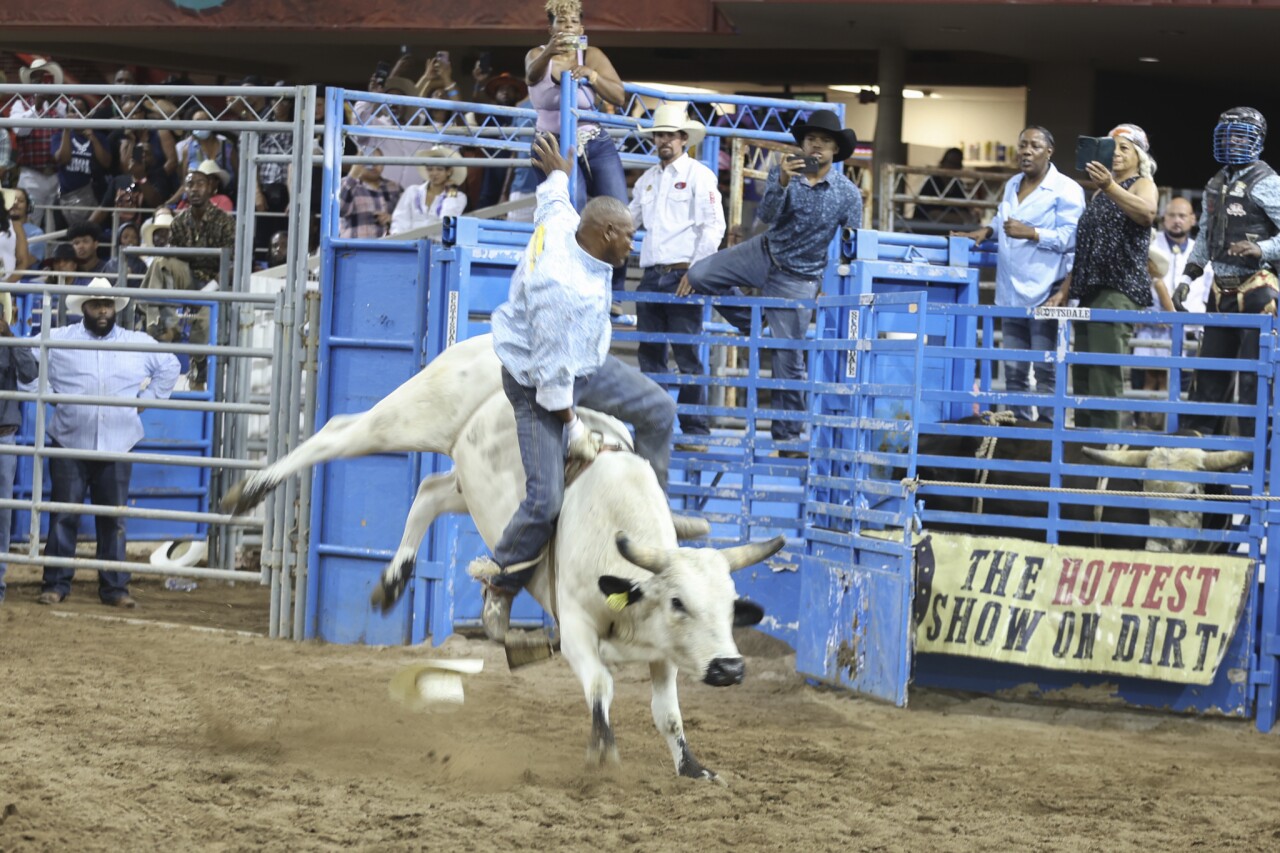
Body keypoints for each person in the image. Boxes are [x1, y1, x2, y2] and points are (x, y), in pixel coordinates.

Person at [474, 132, 675, 642]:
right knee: (545, 500)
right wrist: (576, 430)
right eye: (629, 236)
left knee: (659, 410)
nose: (633, 246)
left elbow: (554, 202)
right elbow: (551, 382)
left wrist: (559, 175)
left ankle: (653, 517)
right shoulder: (563, 287)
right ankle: (500, 582)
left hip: (583, 362)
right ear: (606, 233)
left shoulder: (567, 224)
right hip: (536, 384)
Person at [680, 109, 862, 456]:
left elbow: (852, 246)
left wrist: (828, 283)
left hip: (801, 277)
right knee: (701, 274)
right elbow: (765, 216)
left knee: (788, 359)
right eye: (811, 140)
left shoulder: (848, 194)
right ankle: (752, 319)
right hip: (764, 251)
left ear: (835, 149)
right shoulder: (784, 172)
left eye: (824, 142)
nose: (816, 147)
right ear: (803, 144)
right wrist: (780, 183)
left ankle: (788, 437)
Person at [33, 278, 180, 608]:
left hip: (116, 442)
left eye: (108, 304)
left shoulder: (135, 341)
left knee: (113, 518)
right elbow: (27, 355)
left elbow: (170, 364)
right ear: (83, 307)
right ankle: (56, 584)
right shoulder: (60, 338)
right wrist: (44, 393)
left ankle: (114, 588)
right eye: (97, 304)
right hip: (71, 440)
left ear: (114, 308)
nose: (103, 310)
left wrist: (148, 399)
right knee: (64, 515)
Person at [954, 126, 1085, 423]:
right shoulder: (1013, 183)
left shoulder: (1066, 189)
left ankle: (1048, 433)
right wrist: (987, 230)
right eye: (1022, 145)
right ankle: (1019, 431)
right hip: (1011, 291)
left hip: (1046, 291)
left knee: (1045, 370)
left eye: (1034, 146)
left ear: (1049, 151)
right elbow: (1004, 220)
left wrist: (1032, 232)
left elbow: (1073, 237)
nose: (1026, 151)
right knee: (1013, 371)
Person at [1046, 124, 1158, 430]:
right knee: (1083, 373)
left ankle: (1105, 444)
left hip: (1118, 288)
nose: (1117, 153)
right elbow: (1088, 248)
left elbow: (1147, 214)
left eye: (1125, 148)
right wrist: (1065, 289)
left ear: (1139, 155)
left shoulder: (1142, 184)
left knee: (1103, 375)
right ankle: (1083, 444)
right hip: (1091, 290)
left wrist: (1110, 186)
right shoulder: (1099, 192)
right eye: (1113, 147)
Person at [1176, 107, 1280, 437]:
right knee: (1208, 375)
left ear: (1256, 141)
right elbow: (1205, 235)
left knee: (1254, 380)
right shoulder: (1215, 182)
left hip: (1258, 289)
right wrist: (1187, 277)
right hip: (1220, 290)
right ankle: (1199, 451)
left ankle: (1256, 456)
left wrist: (1263, 249)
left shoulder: (1268, 182)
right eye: (1228, 134)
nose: (1232, 141)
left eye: (1240, 135)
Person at [629, 103, 725, 447]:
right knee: (651, 355)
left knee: (686, 356)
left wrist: (697, 273)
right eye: (659, 135)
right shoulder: (647, 180)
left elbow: (714, 226)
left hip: (683, 274)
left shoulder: (699, 175)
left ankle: (694, 430)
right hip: (653, 275)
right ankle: (661, 428)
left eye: (670, 135)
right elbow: (629, 221)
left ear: (684, 138)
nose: (664, 140)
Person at [527, 0, 629, 292]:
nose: (568, 26)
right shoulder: (536, 54)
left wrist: (591, 75)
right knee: (573, 211)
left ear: (582, 28)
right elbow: (532, 76)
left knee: (618, 210)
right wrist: (550, 51)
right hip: (553, 145)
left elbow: (619, 96)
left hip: (594, 141)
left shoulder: (591, 54)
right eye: (562, 22)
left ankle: (615, 290)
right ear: (551, 28)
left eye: (573, 22)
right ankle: (575, 284)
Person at [166, 160, 237, 389]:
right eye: (190, 184)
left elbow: (231, 264)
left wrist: (204, 294)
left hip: (213, 285)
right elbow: (171, 260)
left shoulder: (225, 221)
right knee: (160, 263)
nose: (194, 189)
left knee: (204, 323)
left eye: (200, 184)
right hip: (186, 279)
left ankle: (197, 375)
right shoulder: (178, 222)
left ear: (211, 188)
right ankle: (161, 323)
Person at [1133, 197, 1208, 393]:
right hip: (1151, 327)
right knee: (1146, 386)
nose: (1177, 220)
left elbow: (1208, 293)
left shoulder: (1202, 252)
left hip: (1189, 333)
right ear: (1163, 218)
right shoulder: (1149, 245)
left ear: (1193, 219)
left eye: (1182, 216)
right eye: (1172, 215)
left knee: (1182, 390)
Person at [0, 311, 37, 605]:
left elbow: (30, 373)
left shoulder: (11, 342)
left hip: (3, 435)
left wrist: (10, 337)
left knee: (2, 512)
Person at [1131, 247, 1176, 429]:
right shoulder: (1138, 284)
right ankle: (1144, 421)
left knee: (1161, 377)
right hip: (1145, 333)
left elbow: (1171, 312)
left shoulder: (1158, 284)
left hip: (1160, 334)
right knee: (1149, 377)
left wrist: (1159, 320)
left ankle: (1161, 422)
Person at [389, 148, 468, 235]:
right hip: (410, 241)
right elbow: (400, 220)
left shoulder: (458, 197)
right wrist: (399, 239)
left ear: (449, 171)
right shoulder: (412, 191)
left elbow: (448, 222)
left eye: (439, 169)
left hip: (438, 242)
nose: (434, 173)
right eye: (430, 169)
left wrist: (451, 191)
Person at [338, 149, 403, 239]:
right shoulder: (347, 184)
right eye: (369, 161)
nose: (374, 165)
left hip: (388, 245)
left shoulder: (395, 187)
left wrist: (392, 218)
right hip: (355, 246)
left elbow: (408, 217)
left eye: (378, 161)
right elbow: (339, 210)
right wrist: (353, 174)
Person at [913, 147, 977, 227]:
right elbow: (931, 213)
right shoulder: (933, 182)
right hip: (924, 228)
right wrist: (955, 217)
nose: (952, 167)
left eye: (956, 164)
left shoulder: (957, 184)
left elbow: (966, 215)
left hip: (948, 229)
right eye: (950, 163)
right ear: (943, 163)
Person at [8, 188, 46, 263]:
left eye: (21, 201)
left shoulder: (36, 233)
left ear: (28, 207)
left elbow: (24, 262)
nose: (15, 203)